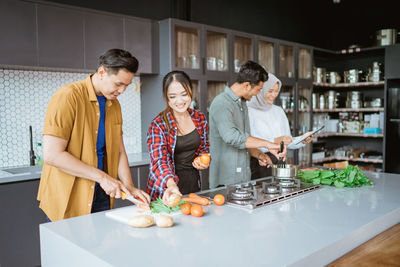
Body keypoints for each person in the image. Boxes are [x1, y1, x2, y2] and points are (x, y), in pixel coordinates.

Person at [37, 49, 150, 222]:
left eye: (126, 85)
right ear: (102, 72)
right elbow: (52, 155)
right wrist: (103, 177)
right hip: (69, 198)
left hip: (101, 194)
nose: (122, 90)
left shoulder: (115, 105)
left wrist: (129, 186)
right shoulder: (68, 97)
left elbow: (119, 150)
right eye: (118, 84)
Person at [208, 61, 285, 188]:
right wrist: (267, 143)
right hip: (225, 182)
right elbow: (232, 137)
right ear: (247, 85)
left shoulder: (243, 104)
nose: (258, 94)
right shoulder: (222, 103)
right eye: (258, 89)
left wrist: (260, 154)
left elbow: (245, 140)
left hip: (243, 179)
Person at [146, 71, 209, 203]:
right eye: (173, 96)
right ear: (167, 98)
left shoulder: (200, 118)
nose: (179, 101)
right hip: (166, 188)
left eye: (184, 94)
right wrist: (171, 184)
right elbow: (159, 161)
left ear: (191, 91)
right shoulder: (158, 125)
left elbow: (204, 148)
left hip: (192, 184)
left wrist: (203, 160)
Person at [247, 73, 313, 179]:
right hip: (259, 163)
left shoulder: (278, 111)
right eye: (270, 91)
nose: (274, 95)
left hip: (280, 162)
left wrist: (302, 139)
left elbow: (287, 140)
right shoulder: (248, 111)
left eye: (276, 91)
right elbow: (247, 142)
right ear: (260, 89)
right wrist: (275, 140)